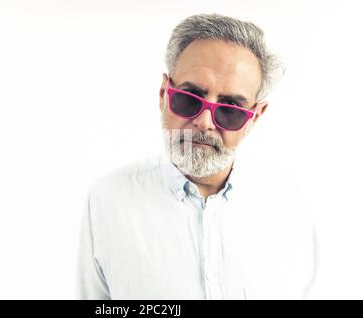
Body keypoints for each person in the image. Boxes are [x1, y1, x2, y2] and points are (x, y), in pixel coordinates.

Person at [76, 13, 317, 300]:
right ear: (164, 94)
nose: (204, 122)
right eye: (189, 97)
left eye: (230, 108)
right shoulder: (108, 201)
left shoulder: (290, 209)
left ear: (255, 117)